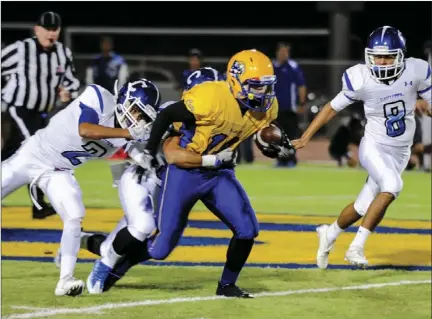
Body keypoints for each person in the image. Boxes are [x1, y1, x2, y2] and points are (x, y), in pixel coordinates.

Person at [86, 49, 293, 297]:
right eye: (256, 86)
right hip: (184, 174)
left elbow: (261, 131)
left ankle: (227, 285)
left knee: (247, 229)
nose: (264, 94)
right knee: (160, 248)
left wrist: (276, 145)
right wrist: (151, 150)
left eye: (266, 87)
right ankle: (119, 264)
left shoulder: (266, 108)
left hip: (218, 173)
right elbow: (166, 118)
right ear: (236, 82)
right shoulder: (211, 97)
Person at [1, 78, 161, 296]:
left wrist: (141, 157)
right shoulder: (98, 97)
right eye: (136, 111)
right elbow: (86, 130)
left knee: (74, 215)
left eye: (142, 117)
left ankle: (65, 281)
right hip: (33, 156)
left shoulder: (123, 134)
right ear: (124, 100)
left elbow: (126, 145)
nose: (137, 120)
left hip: (59, 172)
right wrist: (130, 134)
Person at [292, 26, 431, 268]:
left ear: (401, 55)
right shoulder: (361, 78)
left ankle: (330, 232)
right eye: (377, 56)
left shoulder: (417, 69)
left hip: (401, 150)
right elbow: (331, 108)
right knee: (393, 185)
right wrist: (305, 137)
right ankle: (356, 247)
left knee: (362, 206)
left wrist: (426, 107)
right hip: (374, 146)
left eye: (388, 56)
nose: (382, 61)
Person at [1, 11, 80, 219]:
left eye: (55, 29)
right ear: (37, 29)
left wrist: (68, 92)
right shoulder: (21, 49)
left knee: (10, 153)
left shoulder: (63, 53)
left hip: (42, 113)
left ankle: (38, 205)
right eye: (46, 28)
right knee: (36, 150)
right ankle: (39, 205)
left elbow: (72, 81)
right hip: (19, 108)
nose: (50, 33)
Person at [273, 42, 307, 167]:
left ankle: (291, 159)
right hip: (276, 109)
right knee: (277, 136)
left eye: (286, 52)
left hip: (291, 109)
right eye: (282, 51)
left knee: (291, 135)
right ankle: (280, 160)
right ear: (277, 52)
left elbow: (301, 86)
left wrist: (302, 103)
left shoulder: (293, 67)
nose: (284, 54)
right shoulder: (271, 67)